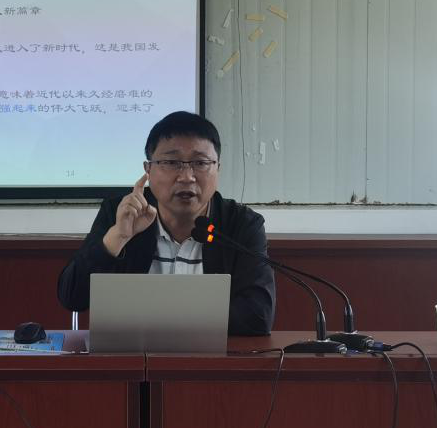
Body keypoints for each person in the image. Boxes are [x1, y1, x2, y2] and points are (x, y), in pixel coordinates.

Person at [57, 111, 274, 336]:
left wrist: (154, 316)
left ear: (217, 168)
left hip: (211, 356)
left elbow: (258, 316)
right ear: (148, 169)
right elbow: (72, 297)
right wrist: (118, 237)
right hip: (132, 354)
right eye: (171, 162)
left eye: (201, 163)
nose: (187, 176)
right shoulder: (121, 214)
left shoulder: (241, 224)